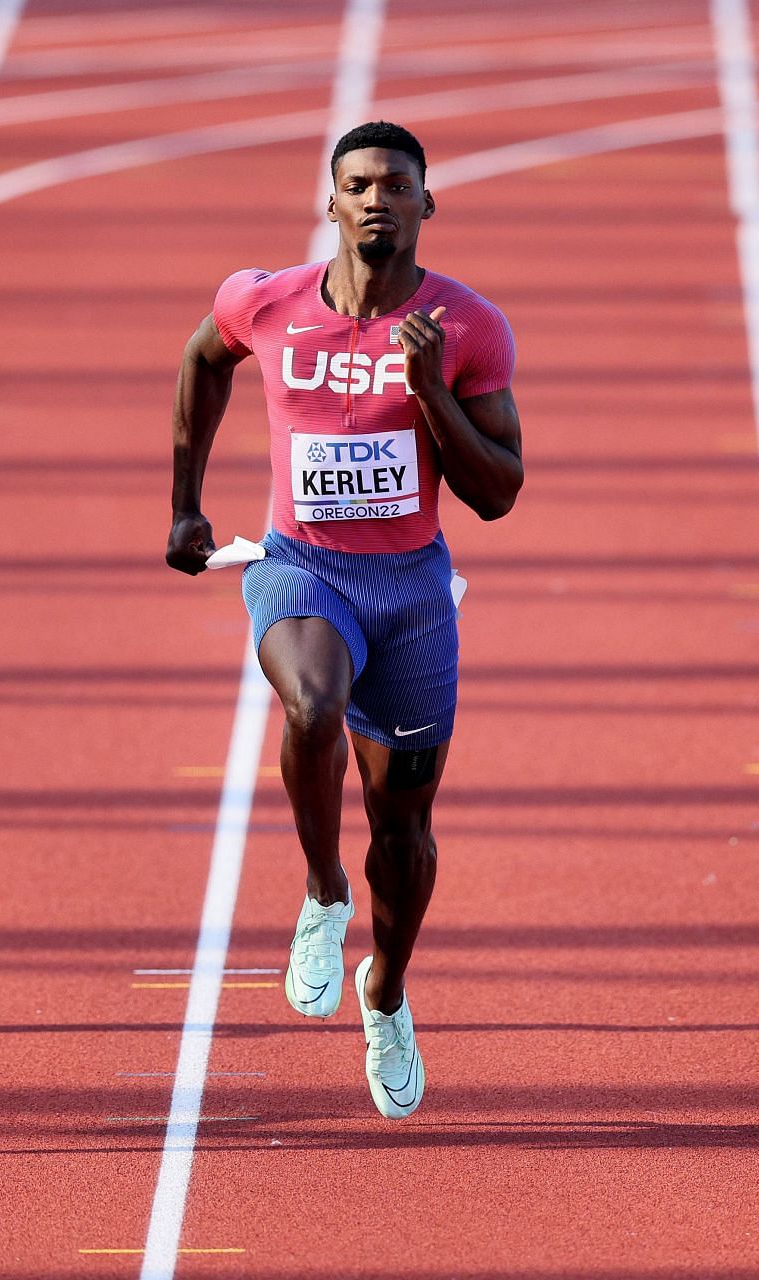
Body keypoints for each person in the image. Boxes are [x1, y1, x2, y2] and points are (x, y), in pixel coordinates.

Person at [166, 121, 522, 1119]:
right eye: (357, 184)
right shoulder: (265, 301)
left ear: (424, 204)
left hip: (409, 590)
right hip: (301, 567)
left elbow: (499, 492)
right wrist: (187, 503)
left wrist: (430, 393)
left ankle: (388, 987)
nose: (376, 200)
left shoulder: (470, 326)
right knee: (312, 701)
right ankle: (323, 894)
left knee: (404, 834)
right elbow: (203, 359)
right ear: (331, 201)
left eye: (395, 185)